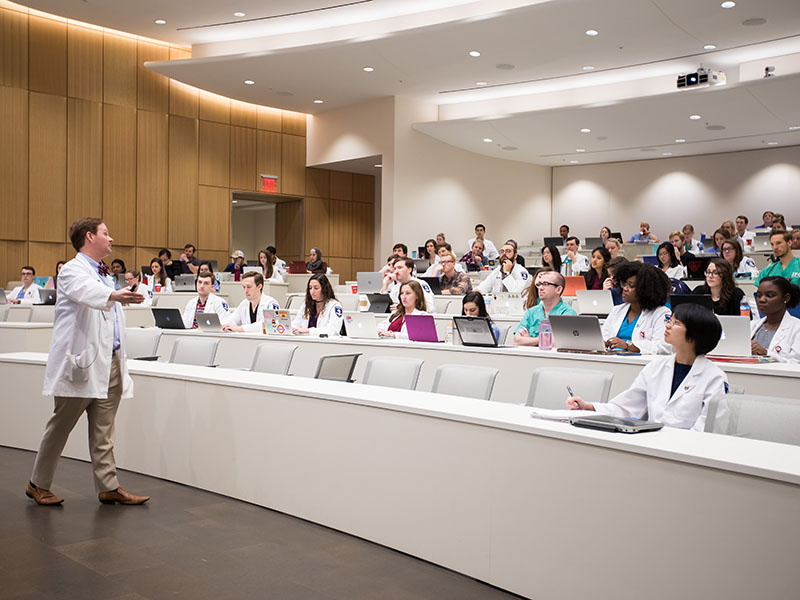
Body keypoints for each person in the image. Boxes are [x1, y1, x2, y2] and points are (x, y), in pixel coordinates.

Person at [27, 217, 148, 506]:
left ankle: (108, 486)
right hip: (82, 365)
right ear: (89, 237)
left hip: (112, 362)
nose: (112, 238)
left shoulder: (106, 275)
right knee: (61, 425)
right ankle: (37, 483)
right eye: (106, 233)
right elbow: (86, 292)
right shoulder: (71, 271)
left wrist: (114, 294)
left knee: (104, 429)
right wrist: (113, 295)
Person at [568, 303, 728, 431]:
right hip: (653, 445)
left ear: (696, 334)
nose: (668, 326)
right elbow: (627, 408)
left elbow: (709, 427)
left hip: (690, 454)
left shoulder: (714, 377)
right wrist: (588, 407)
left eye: (676, 323)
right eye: (669, 320)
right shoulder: (655, 368)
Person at [601, 262, 671, 354]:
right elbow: (603, 336)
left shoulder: (661, 313)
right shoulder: (617, 310)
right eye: (624, 284)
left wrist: (628, 346)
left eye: (631, 286)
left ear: (646, 289)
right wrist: (604, 343)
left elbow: (663, 347)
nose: (625, 289)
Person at [513, 271, 576, 346]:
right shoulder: (532, 312)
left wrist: (529, 339)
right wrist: (542, 339)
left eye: (546, 284)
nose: (540, 288)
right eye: (539, 284)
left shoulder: (567, 313)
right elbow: (516, 340)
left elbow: (559, 343)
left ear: (558, 289)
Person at [751, 277, 800, 363]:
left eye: (769, 295)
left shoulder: (797, 328)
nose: (762, 300)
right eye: (759, 295)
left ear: (786, 298)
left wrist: (766, 353)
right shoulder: (751, 325)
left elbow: (796, 363)